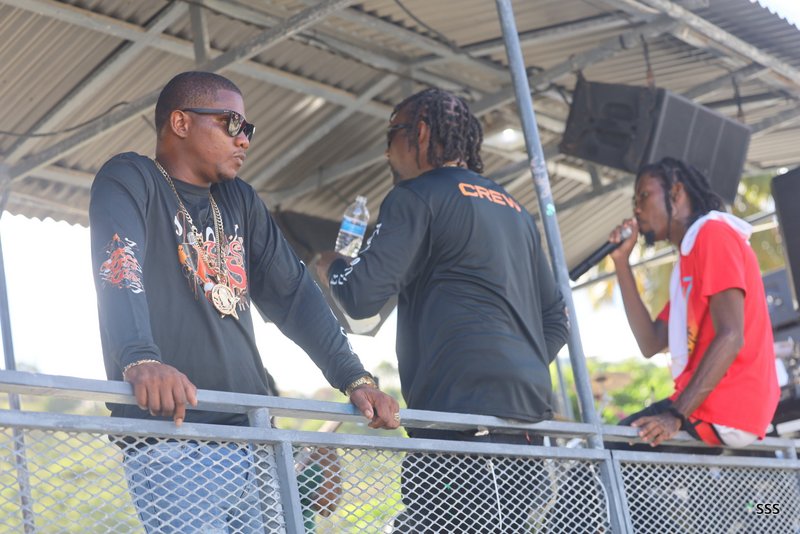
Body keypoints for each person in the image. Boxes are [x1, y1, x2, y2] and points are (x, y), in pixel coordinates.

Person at [89, 71, 399, 533]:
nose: (245, 140)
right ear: (180, 122)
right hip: (175, 440)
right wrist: (140, 358)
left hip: (256, 438)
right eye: (232, 124)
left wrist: (353, 376)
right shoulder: (131, 178)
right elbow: (120, 262)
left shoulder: (239, 199)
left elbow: (295, 296)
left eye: (248, 129)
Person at [315, 88, 570, 532]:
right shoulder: (516, 210)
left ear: (420, 132)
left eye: (392, 133)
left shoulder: (416, 196)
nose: (387, 150)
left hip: (457, 428)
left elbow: (359, 295)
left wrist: (331, 265)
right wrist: (515, 369)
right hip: (526, 426)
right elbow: (557, 320)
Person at [608, 157, 779, 450]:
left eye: (643, 195)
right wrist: (621, 261)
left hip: (722, 405)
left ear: (676, 193)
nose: (636, 208)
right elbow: (651, 342)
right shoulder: (687, 259)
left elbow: (731, 335)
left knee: (610, 449)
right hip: (705, 407)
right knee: (613, 451)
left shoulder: (713, 233)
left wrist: (675, 415)